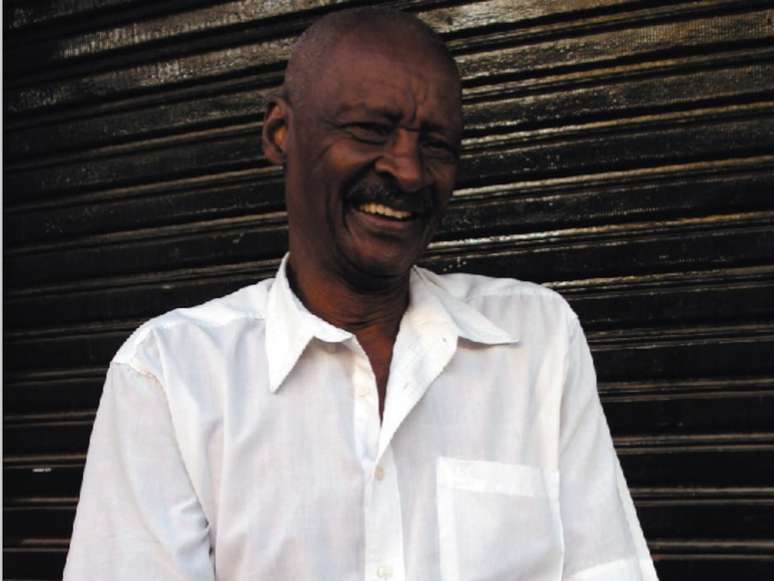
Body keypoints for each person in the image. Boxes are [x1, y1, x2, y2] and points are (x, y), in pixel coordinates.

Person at [64, 7, 658, 581]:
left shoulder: (536, 341)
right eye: (370, 129)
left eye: (436, 145)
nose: (408, 170)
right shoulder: (171, 375)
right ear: (280, 134)